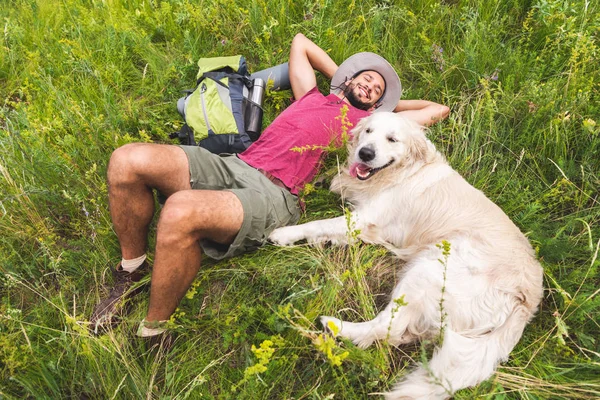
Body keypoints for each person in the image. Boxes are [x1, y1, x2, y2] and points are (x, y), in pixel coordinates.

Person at [90, 33, 450, 341]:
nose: (371, 85)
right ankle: (131, 270)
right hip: (236, 162)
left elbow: (438, 109)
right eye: (367, 78)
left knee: (180, 211)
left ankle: (154, 332)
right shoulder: (308, 95)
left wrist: (386, 106)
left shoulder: (367, 124)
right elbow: (301, 43)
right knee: (126, 160)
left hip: (277, 194)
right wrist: (343, 78)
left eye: (376, 89)